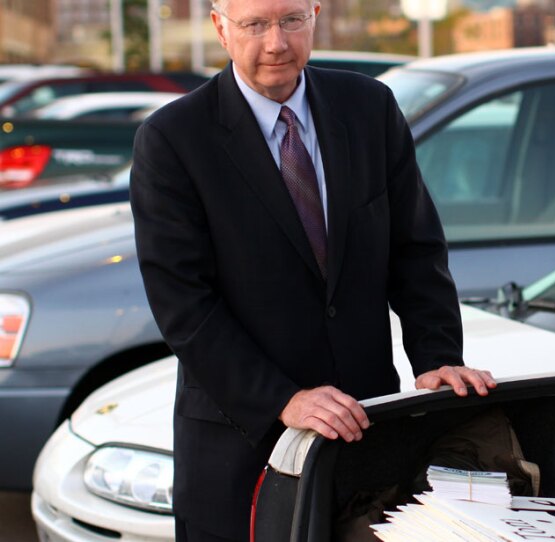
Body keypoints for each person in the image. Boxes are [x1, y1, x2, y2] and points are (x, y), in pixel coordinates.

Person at [129, 0, 496, 539]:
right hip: (240, 450)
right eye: (255, 24)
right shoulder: (173, 139)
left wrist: (437, 356)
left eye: (291, 20)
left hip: (366, 434)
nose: (276, 42)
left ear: (315, 14)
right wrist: (283, 398)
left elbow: (415, 250)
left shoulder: (370, 107)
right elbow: (183, 305)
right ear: (220, 28)